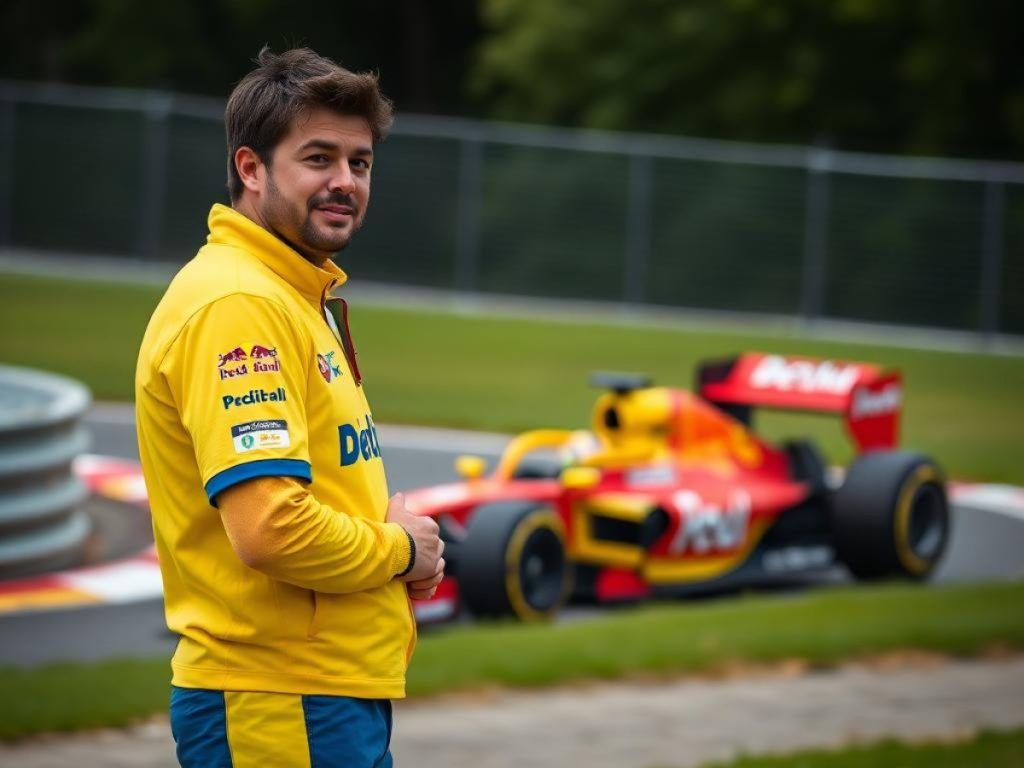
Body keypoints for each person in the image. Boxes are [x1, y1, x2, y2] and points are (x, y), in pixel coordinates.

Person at [135, 47, 444, 768]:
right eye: (319, 158)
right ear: (251, 168)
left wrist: (392, 556)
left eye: (360, 163)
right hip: (279, 700)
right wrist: (397, 551)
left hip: (318, 693)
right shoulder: (240, 304)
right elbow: (270, 528)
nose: (344, 182)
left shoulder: (289, 293)